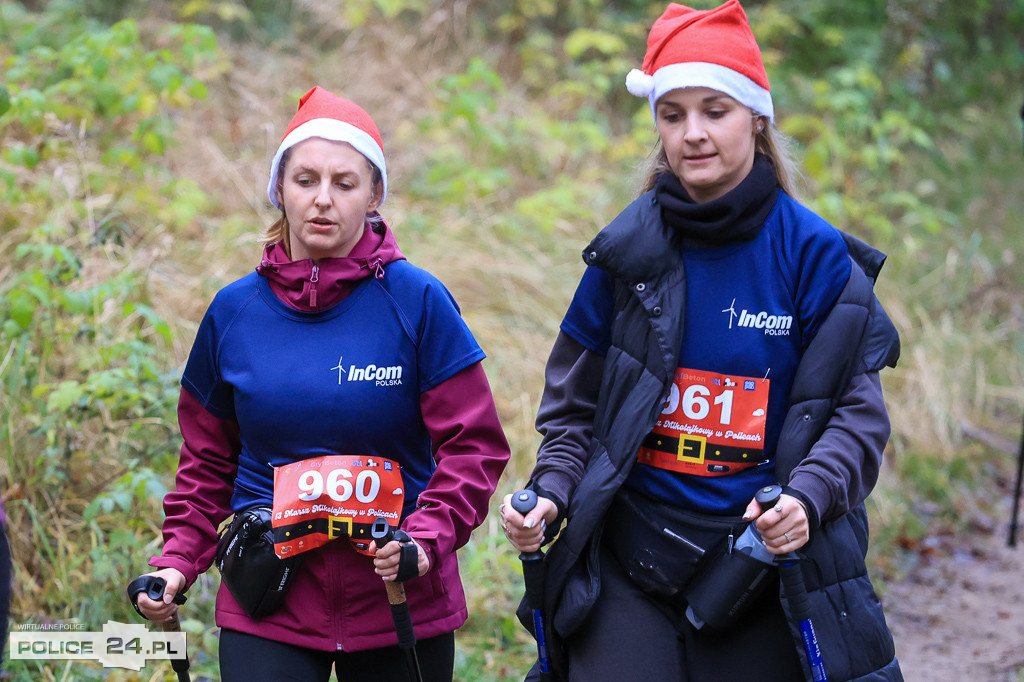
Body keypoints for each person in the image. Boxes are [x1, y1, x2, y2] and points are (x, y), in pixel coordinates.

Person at [500, 2, 903, 681]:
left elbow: (856, 420)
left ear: (756, 116)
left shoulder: (815, 257)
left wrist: (804, 500)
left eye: (714, 111)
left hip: (759, 568)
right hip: (628, 563)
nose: (692, 134)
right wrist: (550, 492)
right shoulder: (624, 255)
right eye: (672, 113)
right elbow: (573, 416)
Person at [134, 86, 510, 681]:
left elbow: (475, 447)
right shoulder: (233, 313)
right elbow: (207, 462)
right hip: (270, 602)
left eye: (345, 182)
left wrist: (423, 541)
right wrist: (177, 561)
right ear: (279, 190)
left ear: (375, 193)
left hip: (398, 597)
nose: (323, 201)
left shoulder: (418, 303)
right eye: (305, 180)